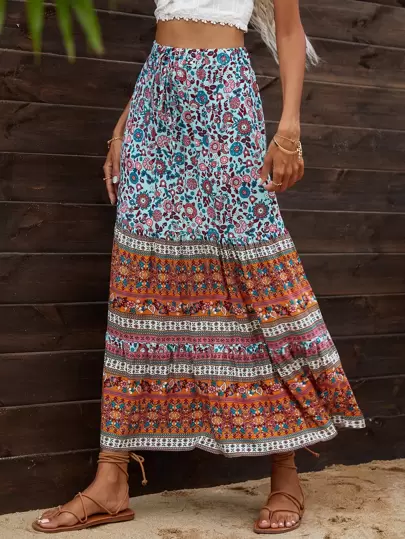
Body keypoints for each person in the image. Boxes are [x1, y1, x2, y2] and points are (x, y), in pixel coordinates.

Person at [33, 0, 365, 534]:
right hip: (154, 106)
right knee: (137, 281)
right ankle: (111, 477)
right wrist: (122, 127)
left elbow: (288, 32)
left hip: (224, 102)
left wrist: (288, 131)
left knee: (251, 278)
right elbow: (165, 39)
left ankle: (285, 471)